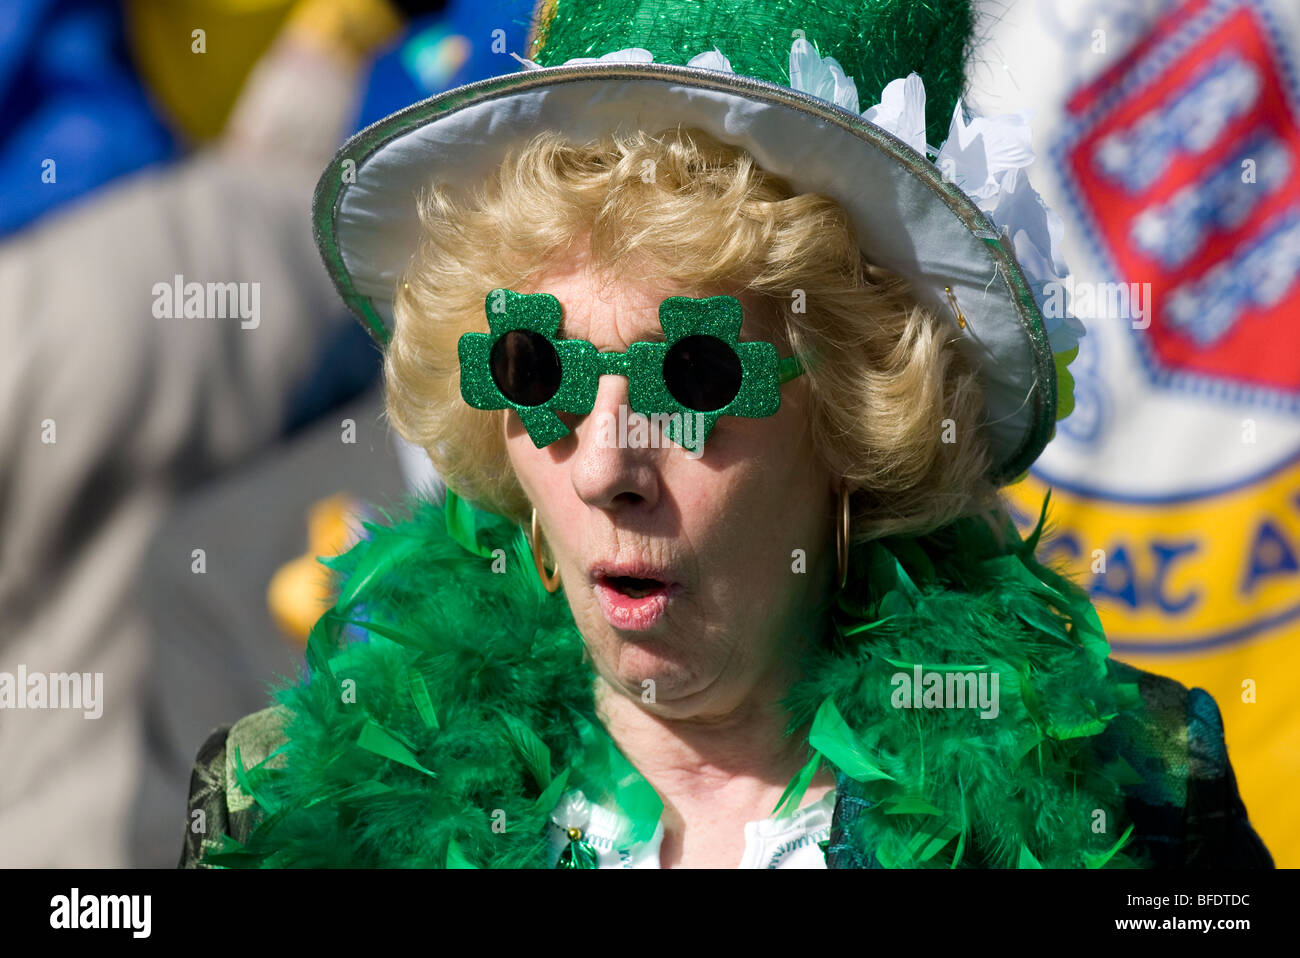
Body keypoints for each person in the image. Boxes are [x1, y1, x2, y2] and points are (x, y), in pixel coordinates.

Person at [179, 0, 1274, 868]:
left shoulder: (1130, 806)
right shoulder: (285, 815)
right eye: (537, 367)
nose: (608, 466)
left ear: (856, 416)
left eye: (693, 372)